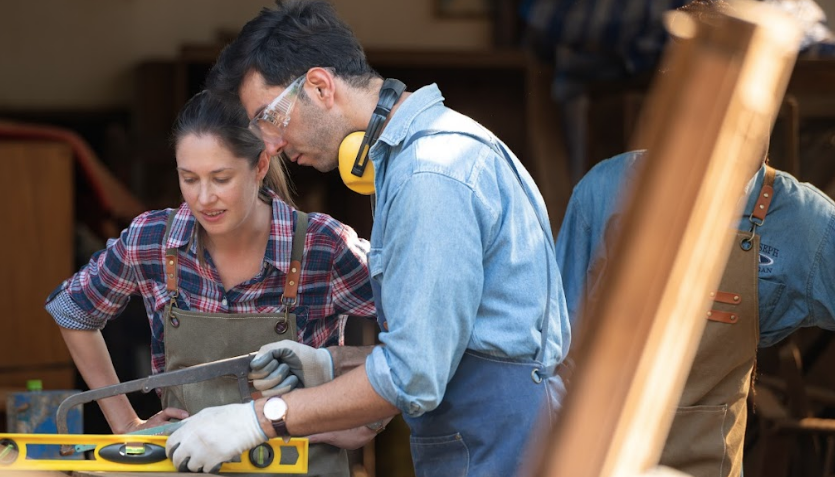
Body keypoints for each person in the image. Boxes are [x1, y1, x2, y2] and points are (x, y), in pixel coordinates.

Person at [163, 1, 571, 474]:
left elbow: (415, 373)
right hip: (482, 437)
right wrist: (331, 363)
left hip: (501, 446)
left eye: (270, 119)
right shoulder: (417, 159)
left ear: (319, 86)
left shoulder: (430, 174)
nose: (270, 145)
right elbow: (450, 344)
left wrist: (257, 420)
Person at [44, 91, 378, 476]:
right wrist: (126, 425)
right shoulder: (154, 241)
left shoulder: (323, 246)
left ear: (260, 165)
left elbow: (422, 335)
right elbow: (72, 311)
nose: (204, 198)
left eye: (221, 178)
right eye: (189, 178)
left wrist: (368, 417)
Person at [556, 137, 835, 476]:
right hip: (600, 461)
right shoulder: (604, 193)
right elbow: (554, 356)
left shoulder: (806, 226)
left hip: (707, 465)